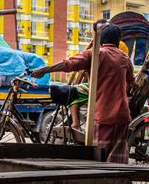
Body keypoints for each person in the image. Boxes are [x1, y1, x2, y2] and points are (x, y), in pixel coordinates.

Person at [32, 24, 135, 163]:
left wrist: (44, 70)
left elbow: (69, 64)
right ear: (118, 41)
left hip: (104, 115)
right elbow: (131, 81)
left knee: (100, 161)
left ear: (101, 40)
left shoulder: (95, 53)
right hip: (122, 116)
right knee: (117, 162)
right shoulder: (124, 58)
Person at [68, 19, 129, 131]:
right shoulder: (93, 47)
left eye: (106, 28)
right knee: (71, 92)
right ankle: (76, 124)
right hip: (95, 83)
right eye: (101, 30)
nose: (105, 32)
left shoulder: (120, 48)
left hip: (110, 86)